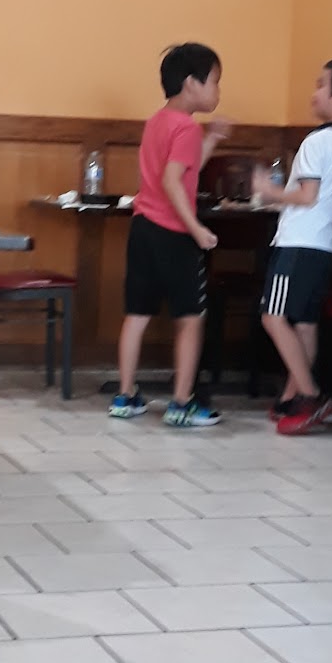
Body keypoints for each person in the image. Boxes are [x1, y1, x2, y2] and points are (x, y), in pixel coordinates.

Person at [111, 42, 229, 428]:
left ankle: (125, 396)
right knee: (190, 318)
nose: (217, 91)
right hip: (174, 234)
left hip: (143, 228)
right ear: (192, 84)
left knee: (137, 315)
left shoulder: (158, 122)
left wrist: (211, 140)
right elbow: (173, 181)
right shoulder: (187, 128)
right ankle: (181, 403)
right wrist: (196, 229)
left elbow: (182, 169)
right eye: (215, 81)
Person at [260, 54, 332, 437]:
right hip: (325, 245)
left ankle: (310, 394)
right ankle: (291, 398)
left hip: (297, 243)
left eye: (321, 85)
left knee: (273, 317)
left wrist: (270, 192)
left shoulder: (316, 141)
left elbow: (307, 195)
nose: (315, 92)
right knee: (305, 324)